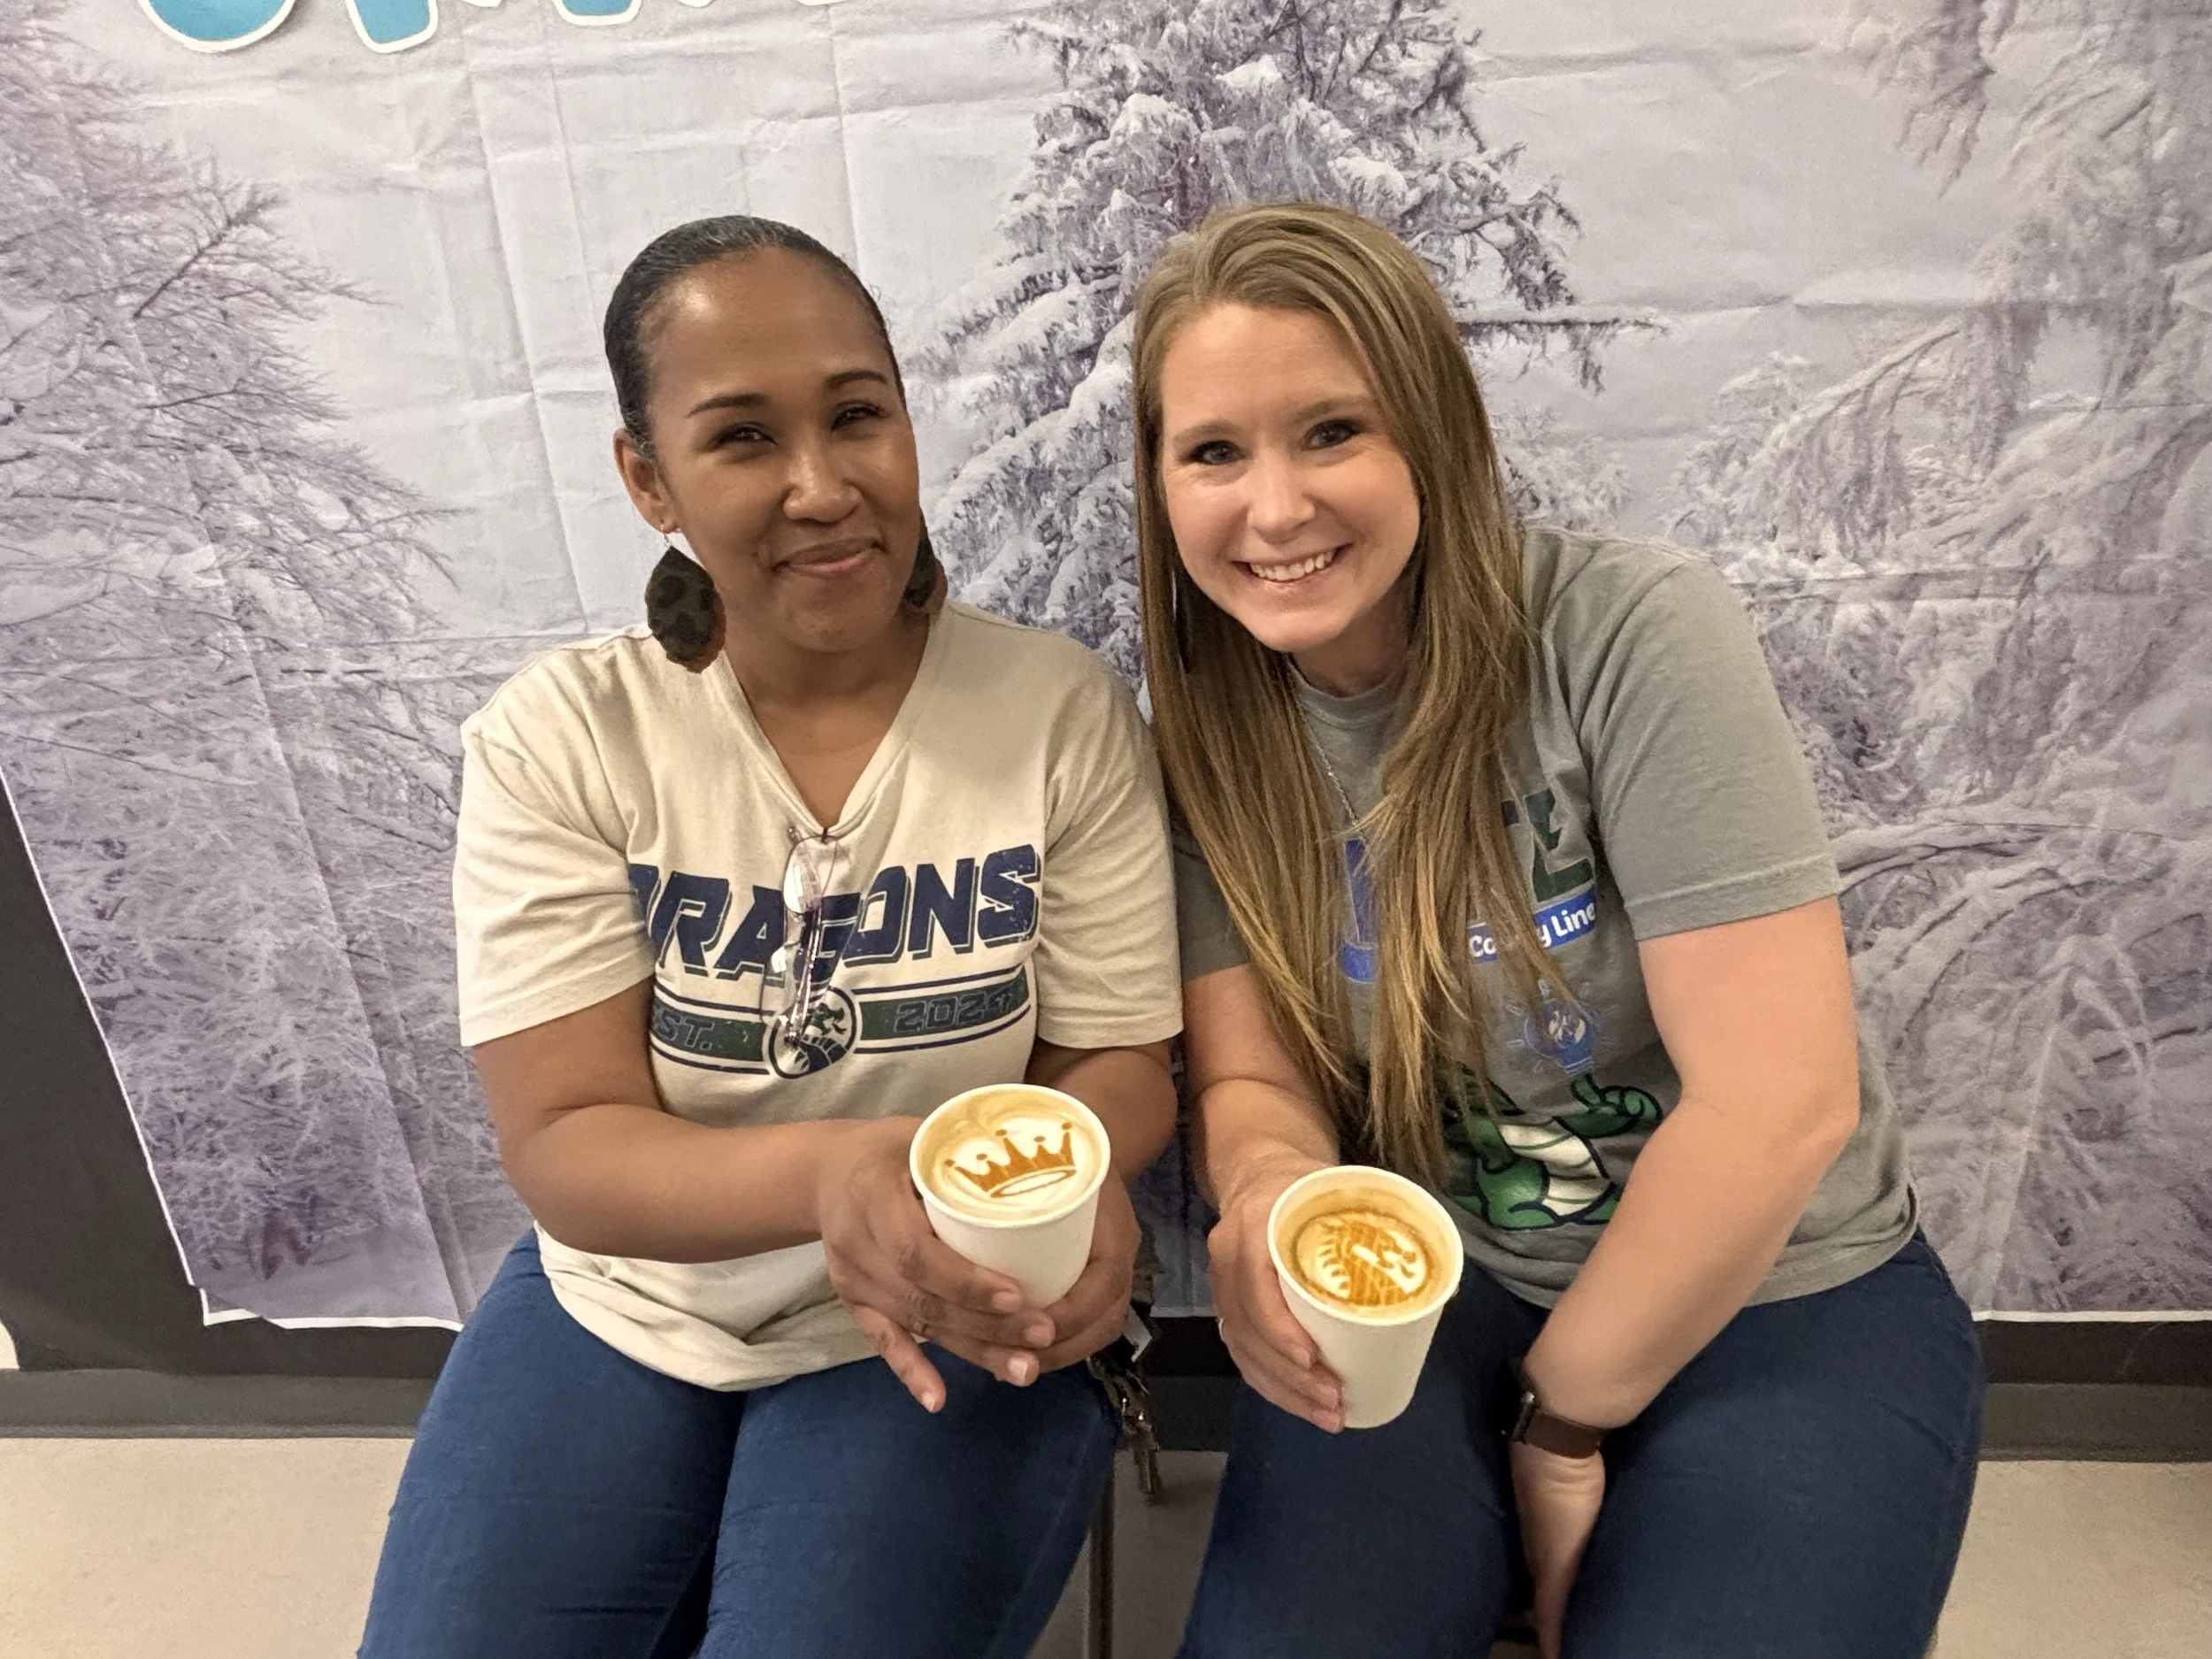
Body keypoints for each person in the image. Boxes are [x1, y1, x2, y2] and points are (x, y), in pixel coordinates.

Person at [1132, 202, 1981, 1659]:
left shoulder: (1633, 632)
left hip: (1784, 1288)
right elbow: (1255, 1081)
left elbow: (1779, 1106)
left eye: (1331, 430)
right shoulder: (1204, 735)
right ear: (1160, 484)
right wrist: (1271, 1195)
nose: (1272, 508)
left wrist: (1561, 1426)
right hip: (1431, 1288)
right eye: (1215, 450)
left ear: (1435, 435)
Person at [358, 215, 1181, 1659]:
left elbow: (1117, 1059)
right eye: (742, 438)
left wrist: (1075, 1184)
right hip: (632, 1304)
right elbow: (568, 1143)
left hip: (958, 1301)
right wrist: (841, 1172)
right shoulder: (566, 738)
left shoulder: (1058, 712)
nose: (822, 486)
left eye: (858, 414)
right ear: (647, 476)